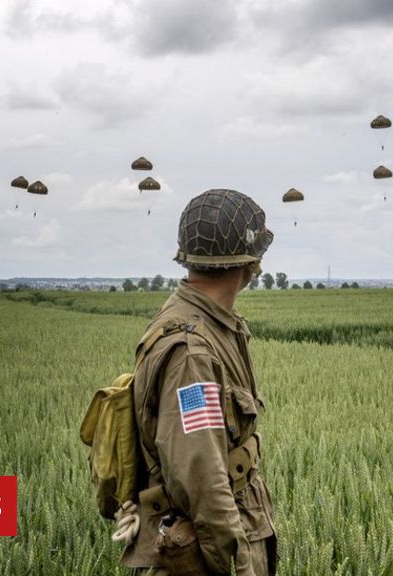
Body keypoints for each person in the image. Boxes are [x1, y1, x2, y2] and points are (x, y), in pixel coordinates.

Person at [123, 189, 277, 575]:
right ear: (250, 263)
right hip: (206, 556)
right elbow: (202, 479)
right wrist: (239, 567)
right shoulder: (193, 354)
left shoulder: (209, 324)